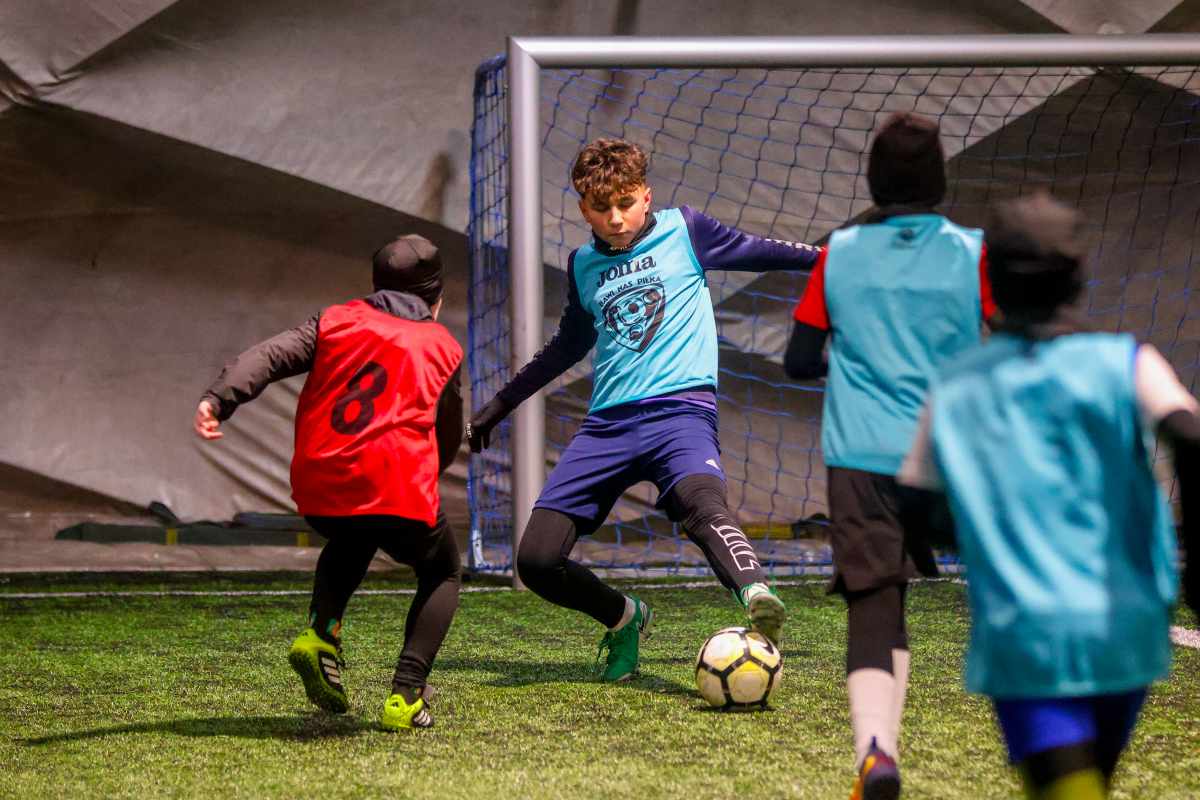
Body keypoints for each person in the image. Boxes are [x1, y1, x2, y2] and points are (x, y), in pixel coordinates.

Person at [468, 137, 822, 681]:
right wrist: (497, 406)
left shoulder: (688, 230)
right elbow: (565, 348)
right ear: (582, 208)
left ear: (647, 196)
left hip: (681, 414)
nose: (615, 218)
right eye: (601, 207)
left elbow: (767, 251)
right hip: (606, 427)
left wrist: (833, 259)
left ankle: (755, 594)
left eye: (626, 203)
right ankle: (624, 617)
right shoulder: (583, 265)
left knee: (702, 502)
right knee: (536, 561)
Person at [898, 192, 1200, 800]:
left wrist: (970, 531)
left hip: (1025, 628)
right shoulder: (1130, 363)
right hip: (1128, 622)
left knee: (1067, 783)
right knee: (1089, 779)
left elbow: (914, 505)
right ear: (1079, 277)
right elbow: (1190, 438)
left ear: (990, 281)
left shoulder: (955, 385)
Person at [783, 112, 996, 800]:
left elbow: (798, 361)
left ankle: (876, 751)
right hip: (951, 454)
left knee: (876, 600)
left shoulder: (837, 254)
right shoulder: (973, 252)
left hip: (861, 456)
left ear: (873, 180)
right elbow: (1012, 337)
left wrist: (859, 363)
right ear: (939, 181)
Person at [194, 234, 464, 730]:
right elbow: (446, 433)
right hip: (396, 487)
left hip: (321, 484)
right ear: (436, 299)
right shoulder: (443, 347)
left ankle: (321, 634)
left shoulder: (335, 320)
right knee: (443, 571)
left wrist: (218, 398)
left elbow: (269, 355)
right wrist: (429, 475)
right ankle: (406, 695)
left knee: (355, 531)